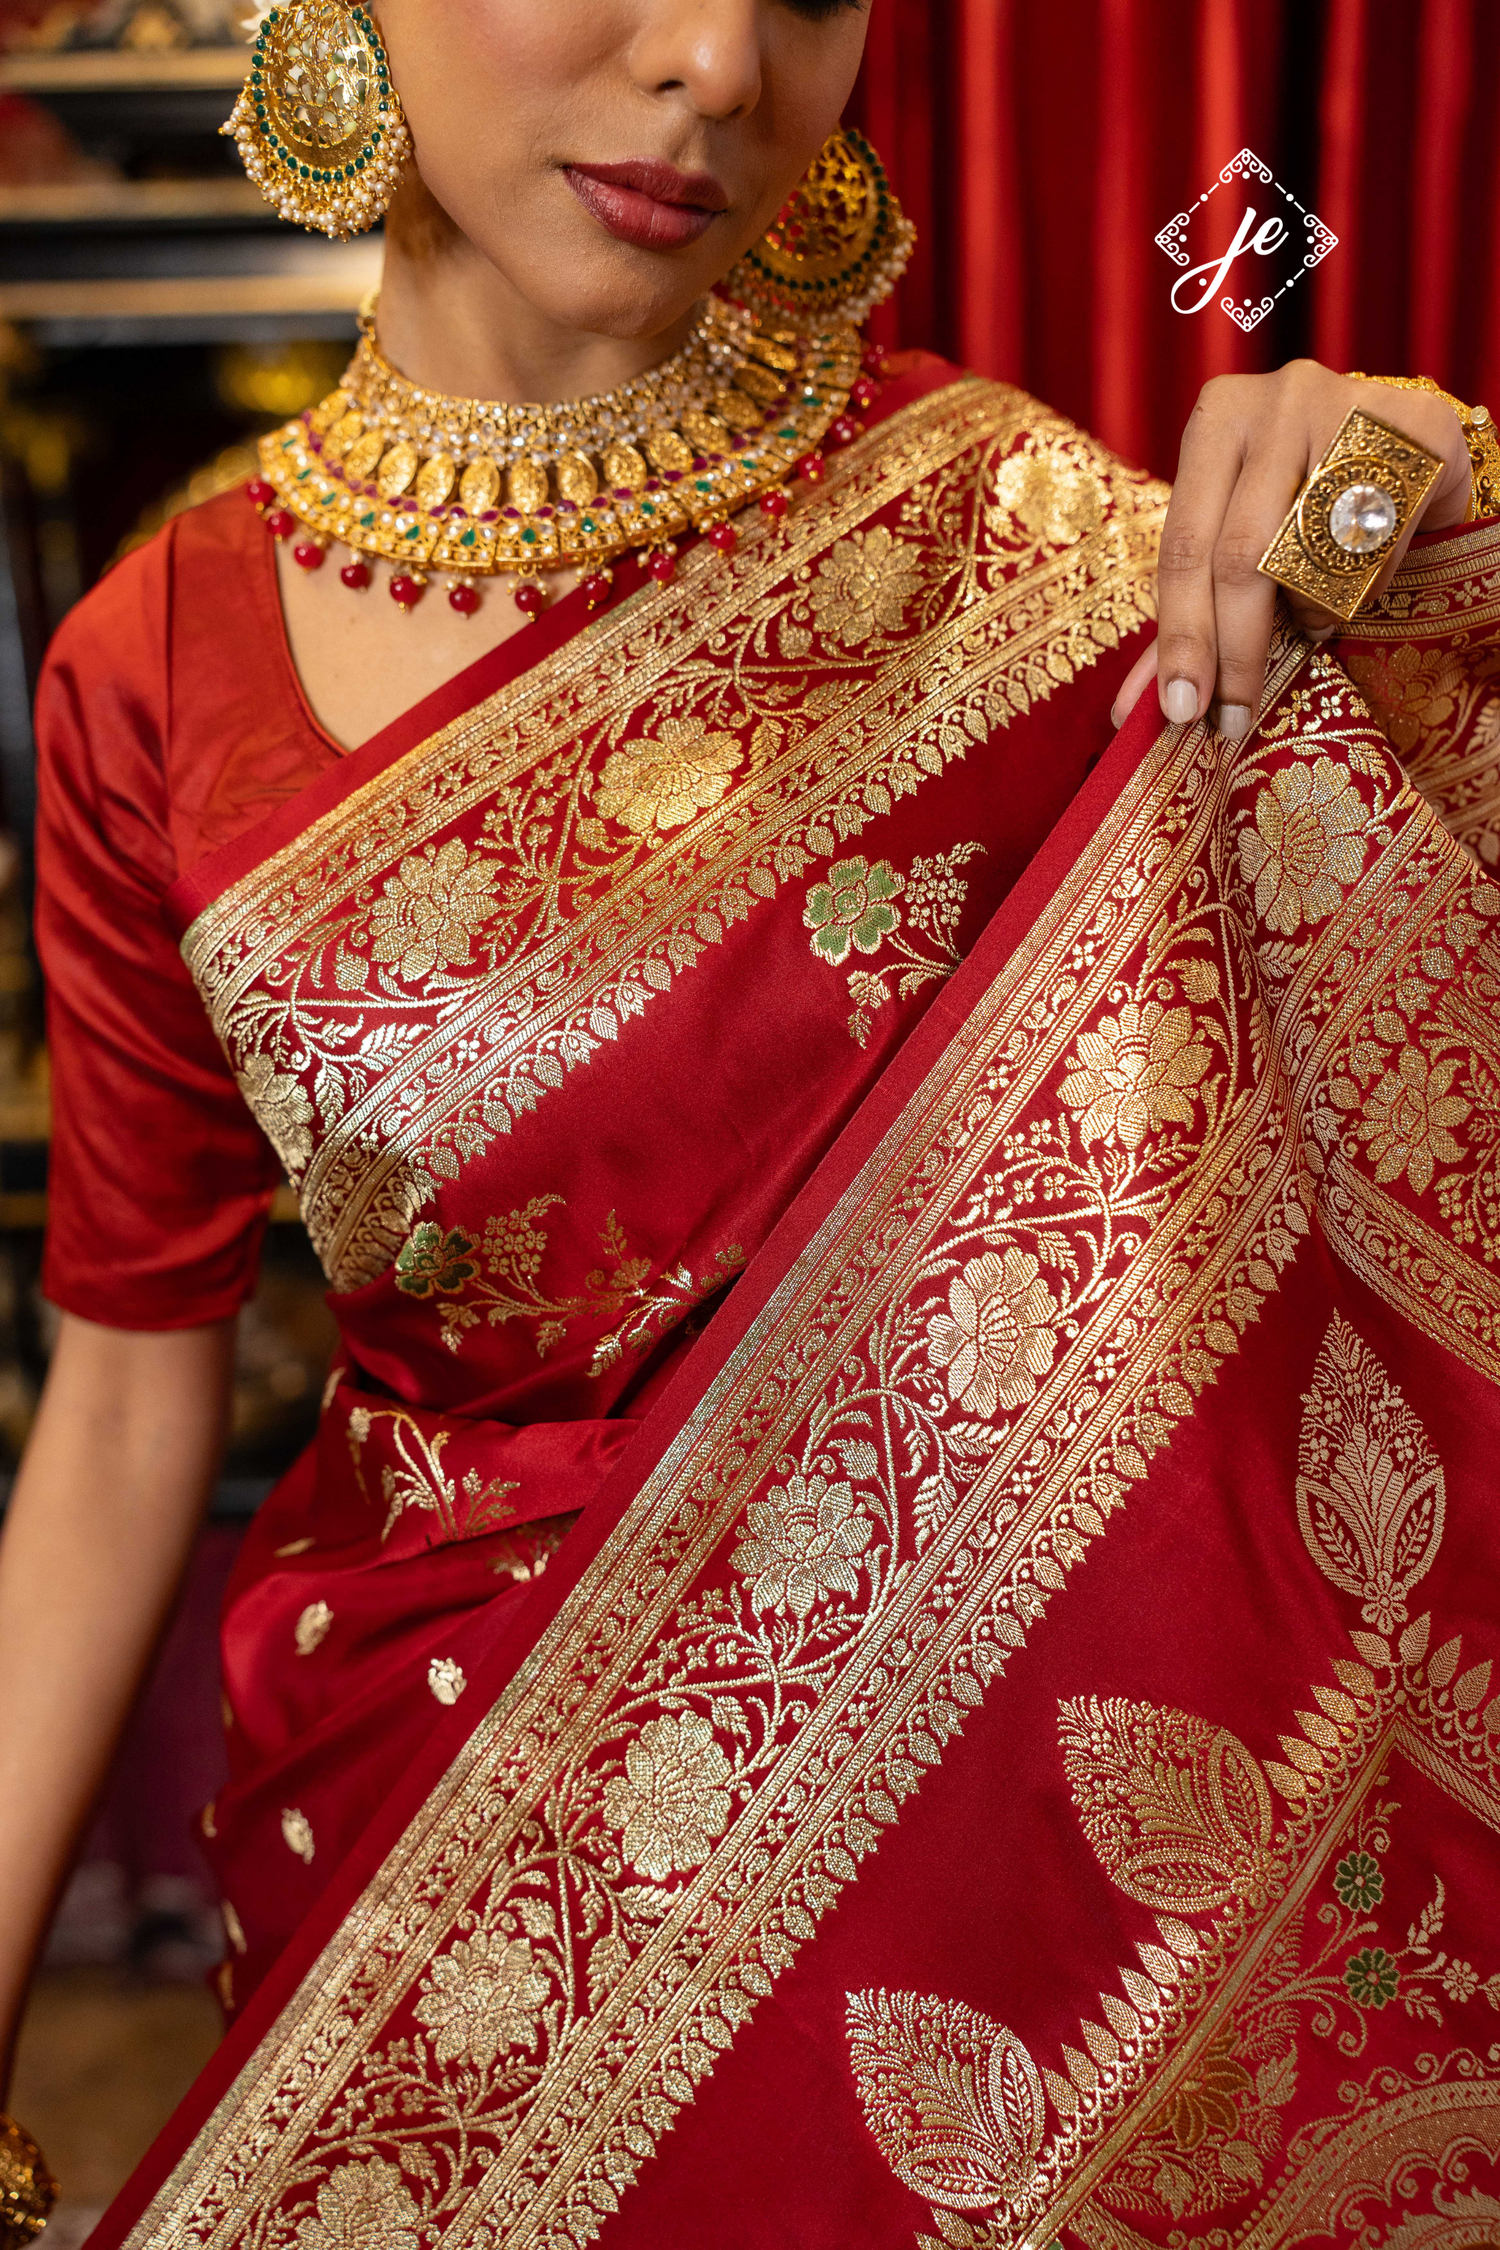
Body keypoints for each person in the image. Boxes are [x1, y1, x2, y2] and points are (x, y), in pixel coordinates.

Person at [2, 4, 1499, 2246]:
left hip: (989, 1932)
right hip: (428, 1897)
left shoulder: (1017, 546)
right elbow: (127, 1406)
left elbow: (1405, 935)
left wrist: (1424, 508)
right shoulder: (151, 675)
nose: (718, 62)